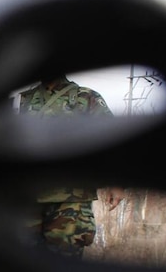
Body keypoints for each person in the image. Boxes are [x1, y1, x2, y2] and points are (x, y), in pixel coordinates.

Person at [17, 74, 126, 259]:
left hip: (71, 196)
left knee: (64, 258)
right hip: (30, 193)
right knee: (24, 259)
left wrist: (116, 182)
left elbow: (111, 139)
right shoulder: (24, 99)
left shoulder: (86, 97)